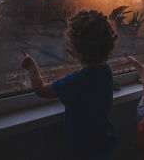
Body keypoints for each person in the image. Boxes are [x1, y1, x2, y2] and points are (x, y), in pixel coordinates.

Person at [21, 10, 118, 160]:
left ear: (77, 49)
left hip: (84, 150)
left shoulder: (78, 81)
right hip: (104, 143)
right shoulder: (106, 71)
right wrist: (78, 53)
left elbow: (41, 90)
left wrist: (32, 66)